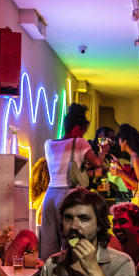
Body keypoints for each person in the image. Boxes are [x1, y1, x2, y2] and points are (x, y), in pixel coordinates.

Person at [41, 103, 108, 259]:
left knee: (49, 241)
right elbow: (98, 162)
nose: (83, 135)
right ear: (77, 128)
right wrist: (104, 151)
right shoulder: (79, 143)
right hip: (68, 194)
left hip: (50, 195)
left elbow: (61, 167)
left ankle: (49, 275)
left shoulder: (49, 144)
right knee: (71, 240)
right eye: (83, 131)